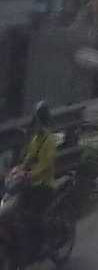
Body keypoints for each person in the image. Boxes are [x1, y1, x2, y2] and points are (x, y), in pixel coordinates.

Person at [14, 101, 58, 252]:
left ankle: (44, 242)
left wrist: (29, 174)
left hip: (45, 185)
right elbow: (29, 157)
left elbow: (46, 165)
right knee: (19, 209)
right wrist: (19, 169)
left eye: (37, 121)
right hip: (32, 183)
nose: (35, 124)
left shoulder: (50, 140)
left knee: (35, 215)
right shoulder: (36, 139)